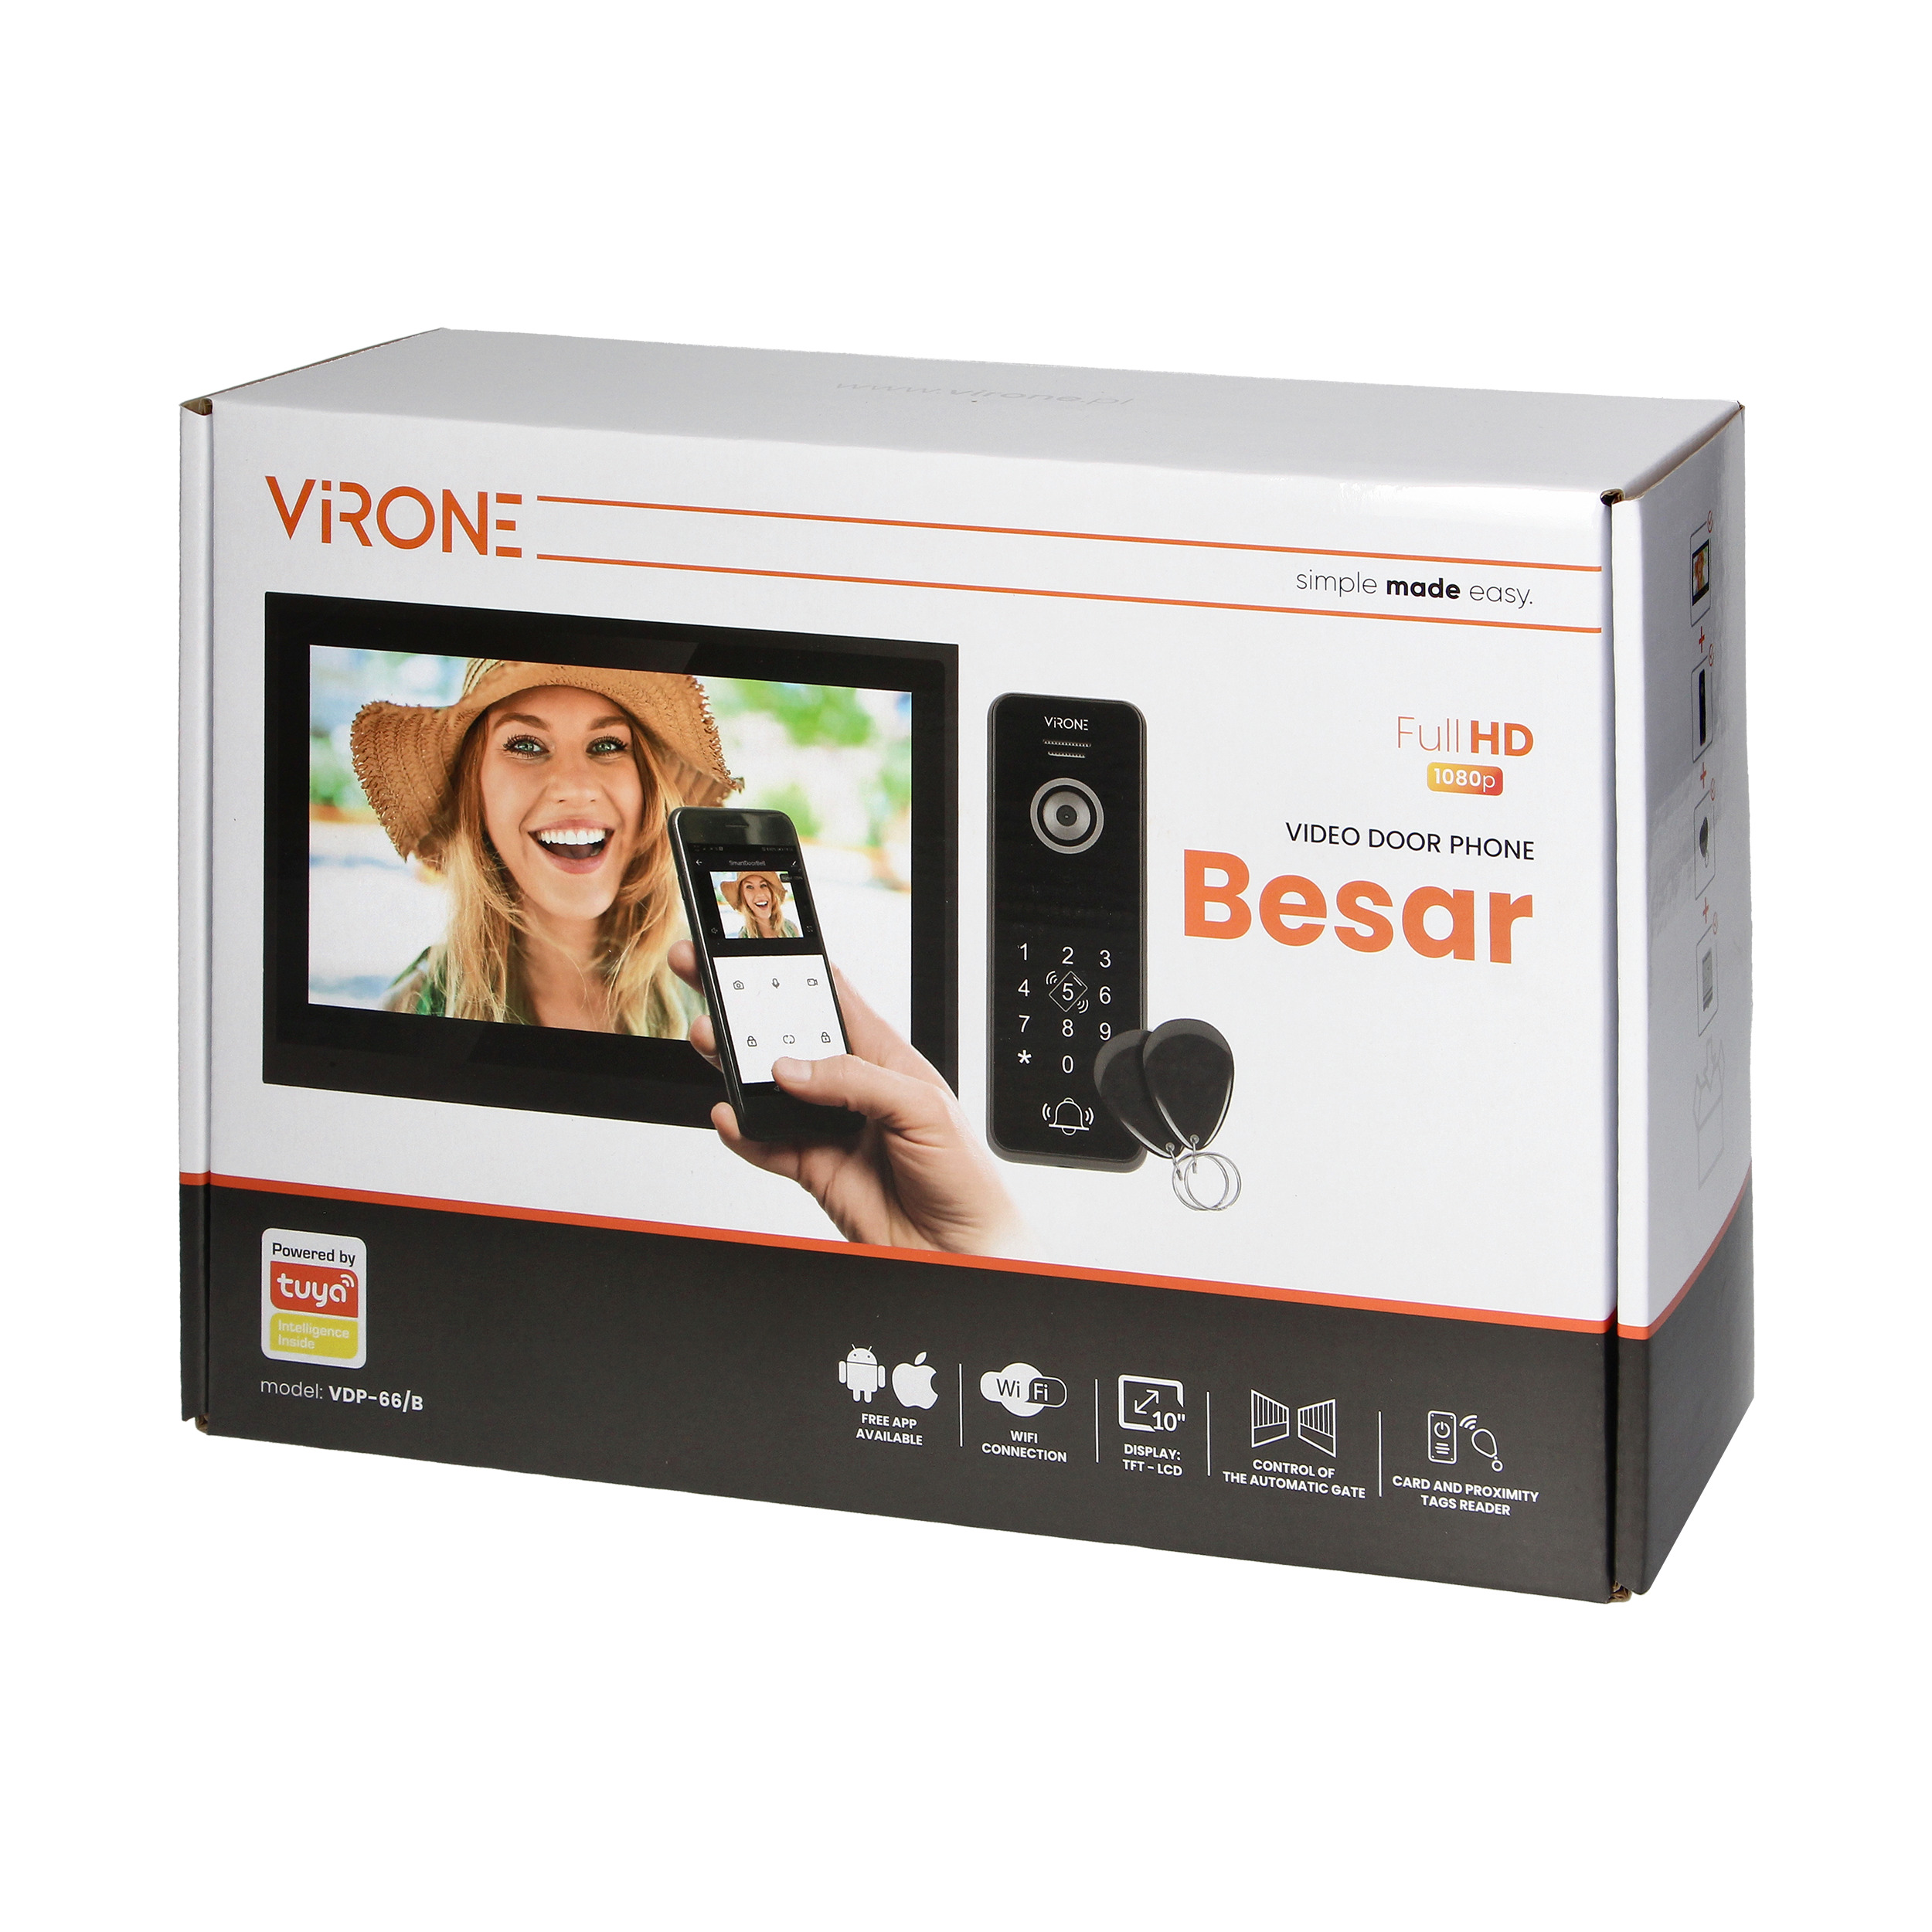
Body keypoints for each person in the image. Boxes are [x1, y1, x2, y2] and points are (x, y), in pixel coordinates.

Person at [351, 658, 739, 1034]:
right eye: (526, 745)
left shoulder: (724, 991)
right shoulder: (412, 1013)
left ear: (647, 788)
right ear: (475, 793)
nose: (576, 788)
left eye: (606, 745)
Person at [720, 869, 798, 939]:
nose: (760, 894)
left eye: (763, 885)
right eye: (750, 887)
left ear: (771, 892)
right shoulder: (744, 937)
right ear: (743, 897)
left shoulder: (790, 928)